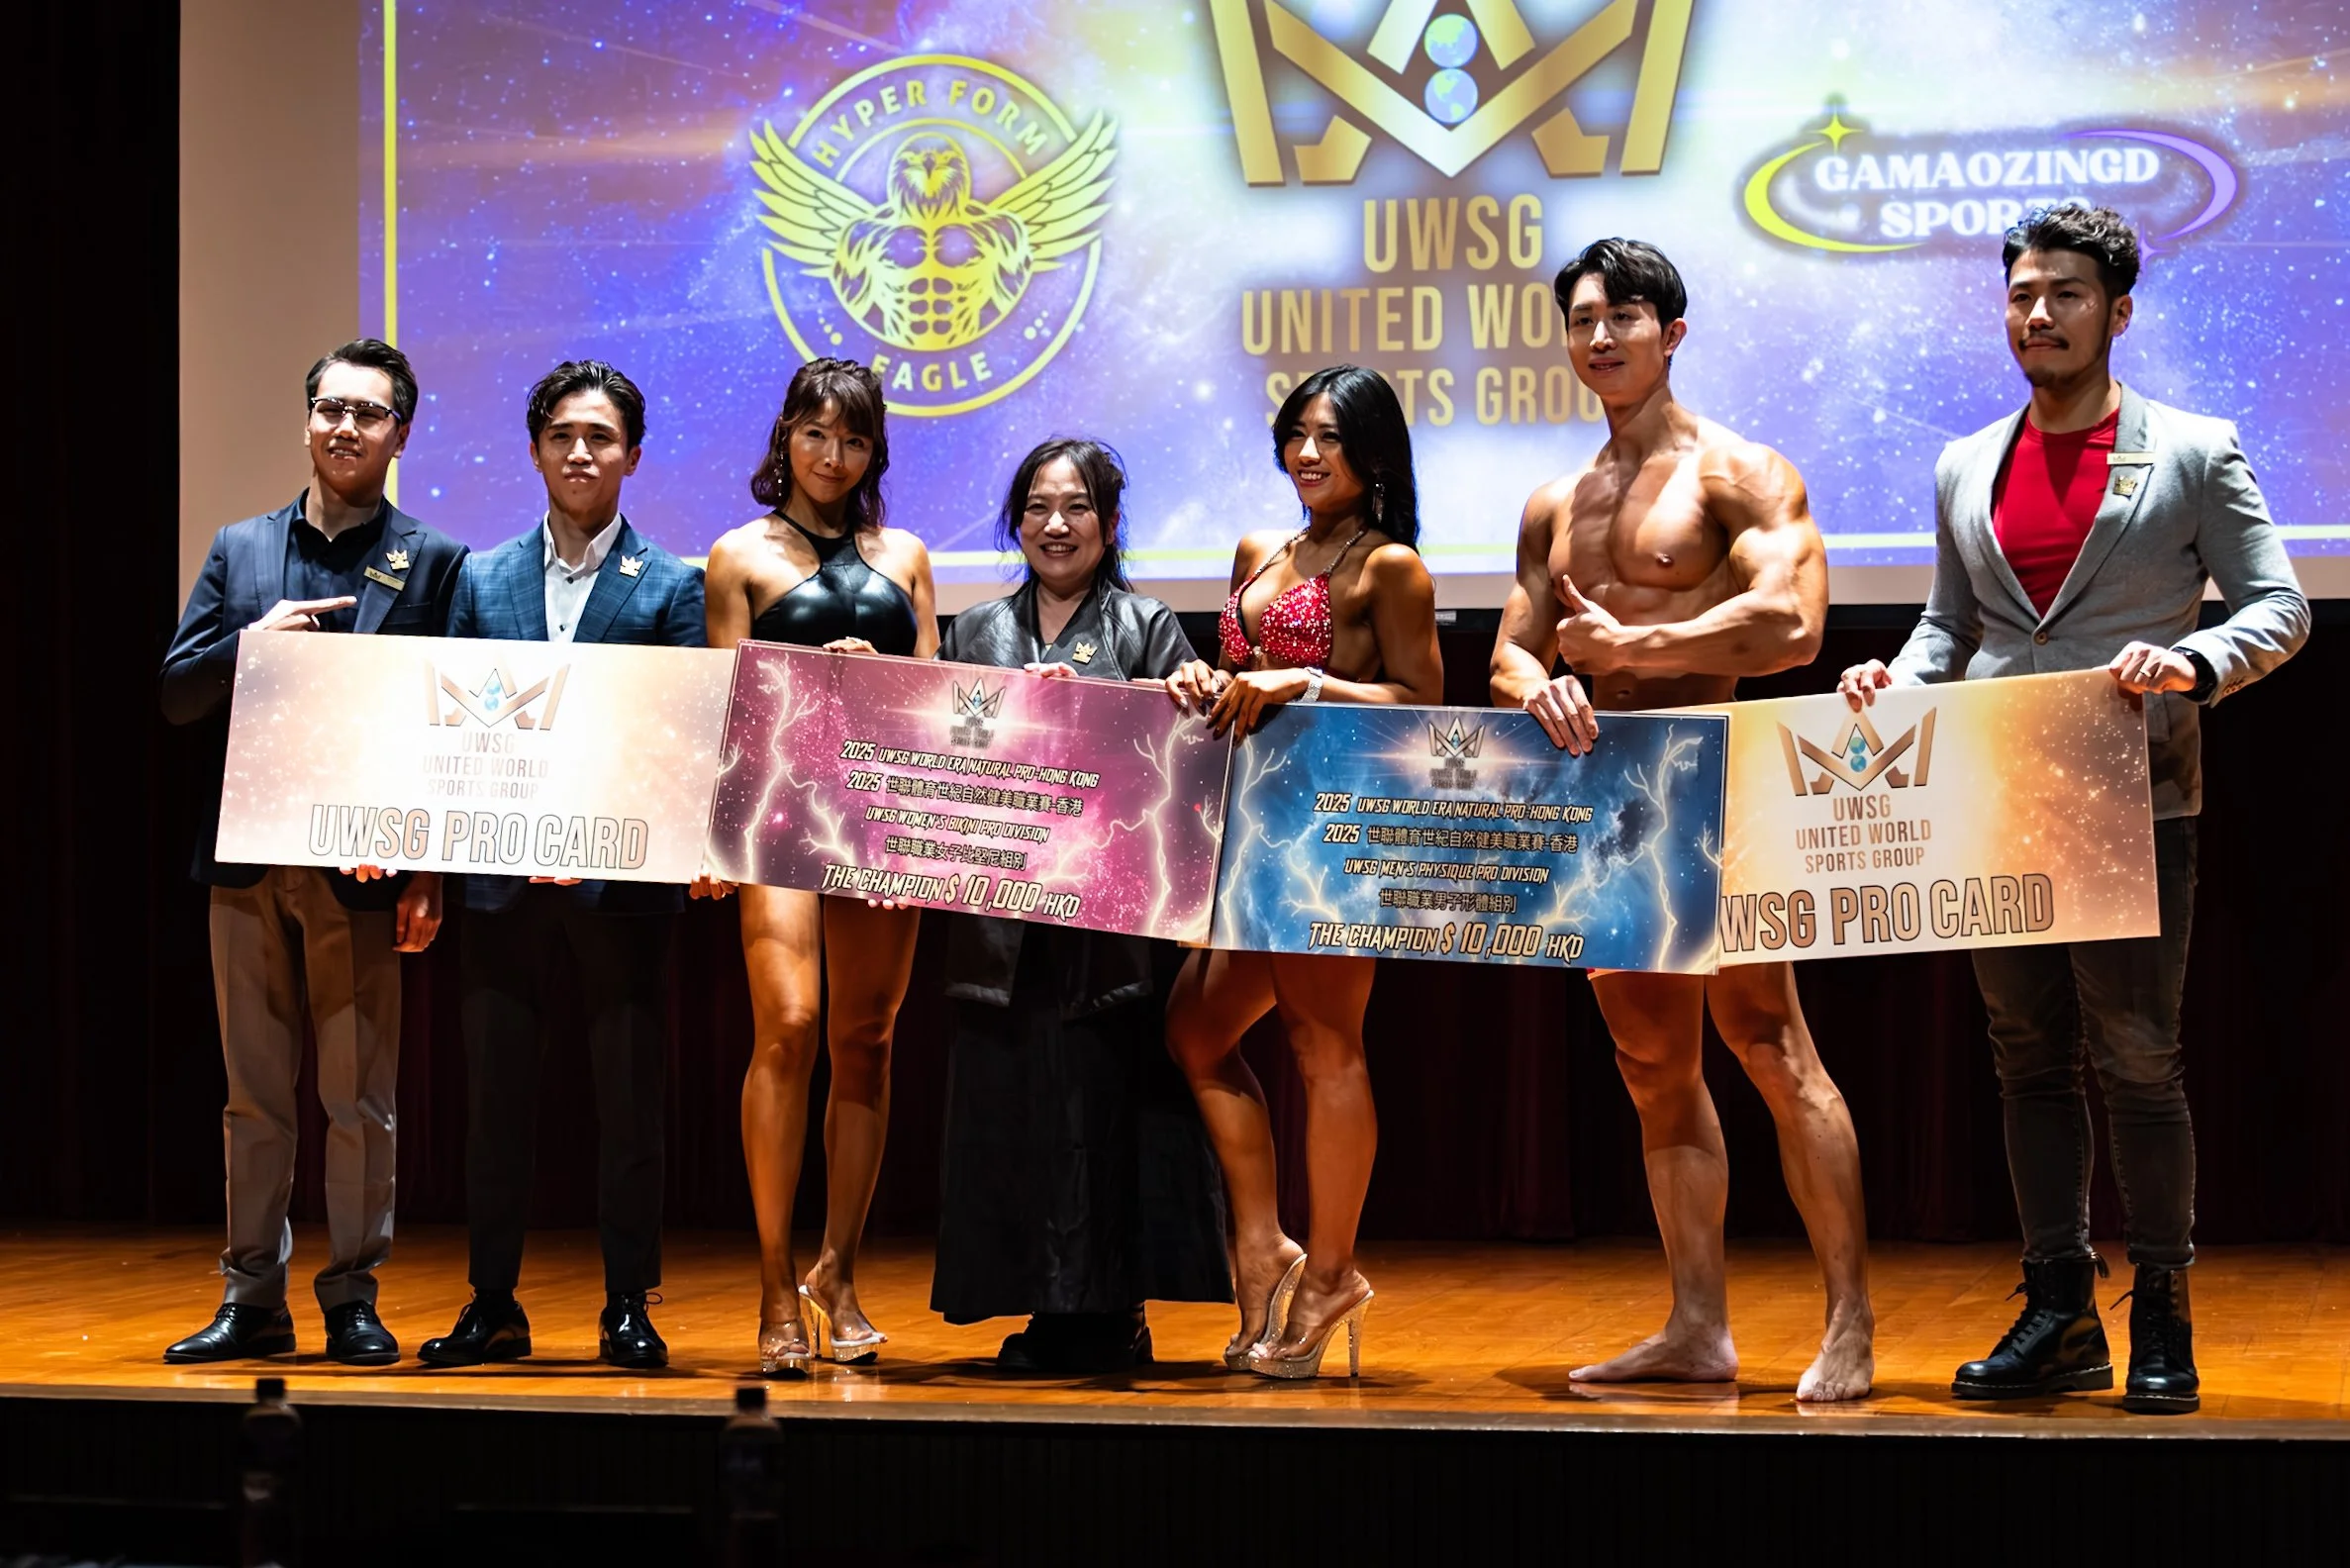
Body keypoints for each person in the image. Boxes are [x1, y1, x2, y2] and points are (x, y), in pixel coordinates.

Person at [1839, 205, 2308, 1414]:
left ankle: (2161, 1305)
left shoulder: (2194, 451)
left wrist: (2192, 663)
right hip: (1999, 792)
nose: (2037, 315)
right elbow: (1952, 626)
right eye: (2020, 296)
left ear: (2119, 311)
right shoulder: (1964, 462)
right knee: (2024, 1059)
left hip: (2133, 791)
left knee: (2140, 1062)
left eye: (2064, 295)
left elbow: (2280, 608)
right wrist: (1896, 676)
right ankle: (2057, 1307)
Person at [1489, 239, 1876, 1403]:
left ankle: (1849, 1322)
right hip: (1607, 795)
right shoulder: (1555, 501)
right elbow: (1512, 644)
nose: (1601, 337)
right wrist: (1538, 684)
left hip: (1715, 773)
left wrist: (1639, 647)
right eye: (1583, 319)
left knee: (1768, 1044)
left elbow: (1794, 627)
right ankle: (1696, 1326)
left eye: (1626, 315)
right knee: (1652, 1064)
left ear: (1674, 331)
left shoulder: (1738, 473)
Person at [158, 339, 463, 1366]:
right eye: (330, 408)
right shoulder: (240, 549)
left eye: (368, 414)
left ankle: (352, 1296)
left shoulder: (433, 560)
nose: (345, 427)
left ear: (400, 436)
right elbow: (175, 694)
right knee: (252, 1094)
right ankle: (252, 1298)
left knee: (358, 1098)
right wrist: (256, 643)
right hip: (245, 858)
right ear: (306, 421)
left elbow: (448, 734)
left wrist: (430, 869)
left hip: (364, 866)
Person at [418, 360, 706, 1371]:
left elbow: (676, 738)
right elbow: (449, 726)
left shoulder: (674, 585)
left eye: (600, 437)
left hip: (621, 882)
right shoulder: (479, 575)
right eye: (562, 436)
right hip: (498, 882)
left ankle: (629, 1300)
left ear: (632, 453)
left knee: (629, 1100)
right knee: (493, 1101)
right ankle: (492, 1300)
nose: (580, 453)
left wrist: (586, 834)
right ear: (536, 448)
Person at [1162, 366, 1444, 1379]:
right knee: (1193, 1029)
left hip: (1336, 830)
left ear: (1370, 451)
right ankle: (1262, 1241)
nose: (1308, 453)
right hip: (1246, 826)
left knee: (1323, 1044)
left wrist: (1310, 680)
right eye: (1295, 435)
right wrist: (1203, 676)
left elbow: (1423, 705)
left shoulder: (1390, 567)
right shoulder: (1258, 551)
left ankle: (1328, 1273)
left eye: (1329, 437)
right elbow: (1233, 676)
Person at [930, 438, 1233, 1372]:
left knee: (1103, 1112)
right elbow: (929, 766)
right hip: (1000, 918)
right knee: (1016, 1111)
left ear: (1108, 524)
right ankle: (1048, 1304)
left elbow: (1191, 769)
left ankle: (1106, 1311)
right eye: (1036, 507)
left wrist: (1168, 696)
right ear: (1015, 521)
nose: (1055, 525)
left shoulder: (1148, 628)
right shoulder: (972, 632)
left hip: (1107, 924)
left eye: (1076, 508)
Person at [702, 358, 937, 1372]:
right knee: (789, 1025)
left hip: (886, 813)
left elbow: (939, 702)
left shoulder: (909, 556)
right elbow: (725, 711)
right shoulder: (738, 555)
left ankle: (835, 1272)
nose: (831, 455)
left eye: (850, 439)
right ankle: (772, 1288)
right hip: (778, 810)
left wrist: (890, 680)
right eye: (814, 434)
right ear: (784, 438)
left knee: (869, 1039)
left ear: (873, 449)